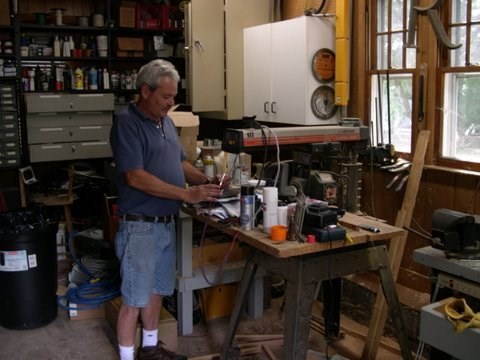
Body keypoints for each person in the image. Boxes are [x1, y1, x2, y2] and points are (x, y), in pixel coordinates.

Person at [110, 59, 227, 360]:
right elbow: (134, 175)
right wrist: (187, 194)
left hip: (165, 223)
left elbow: (180, 163)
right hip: (140, 226)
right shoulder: (127, 123)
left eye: (174, 96)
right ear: (145, 91)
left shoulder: (168, 123)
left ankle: (150, 350)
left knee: (156, 292)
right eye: (165, 96)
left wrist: (205, 180)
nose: (171, 102)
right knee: (133, 299)